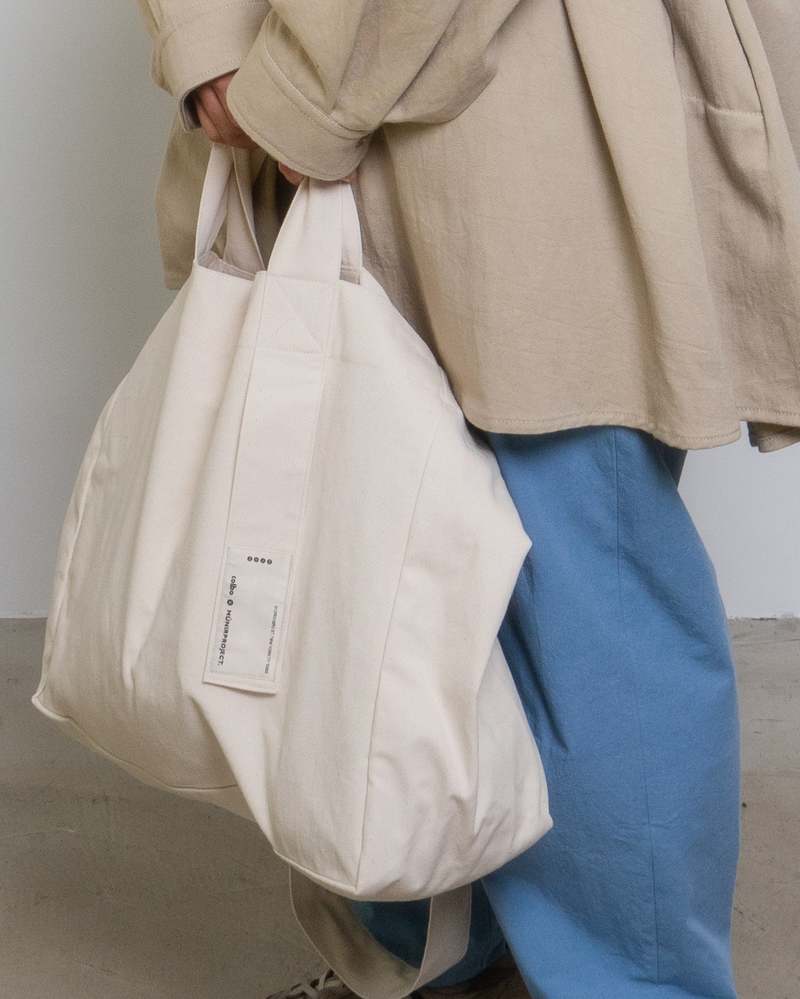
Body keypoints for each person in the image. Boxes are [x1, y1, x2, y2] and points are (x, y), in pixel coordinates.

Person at [136, 2, 800, 997]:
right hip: (311, 66)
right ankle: (428, 952)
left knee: (579, 581)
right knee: (361, 561)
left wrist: (292, 91)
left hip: (526, 94)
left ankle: (624, 983)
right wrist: (209, 45)